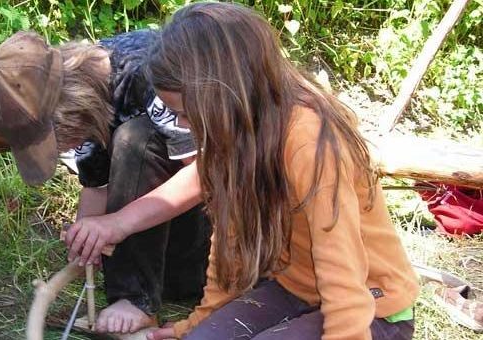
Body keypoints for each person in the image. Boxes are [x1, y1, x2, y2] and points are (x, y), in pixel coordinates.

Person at [66, 3, 420, 339]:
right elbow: (226, 247)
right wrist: (198, 325)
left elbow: (344, 277)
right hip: (294, 289)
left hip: (370, 308)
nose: (179, 124)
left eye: (185, 113)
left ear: (221, 94)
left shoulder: (308, 140)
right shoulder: (236, 136)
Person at [0, 30, 211, 335]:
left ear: (71, 102)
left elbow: (204, 176)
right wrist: (86, 235)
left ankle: (135, 299)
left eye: (56, 138)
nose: (60, 148)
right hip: (172, 257)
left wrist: (117, 224)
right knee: (124, 138)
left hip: (217, 245)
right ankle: (137, 289)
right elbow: (97, 186)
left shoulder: (151, 75)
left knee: (134, 138)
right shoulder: (93, 101)